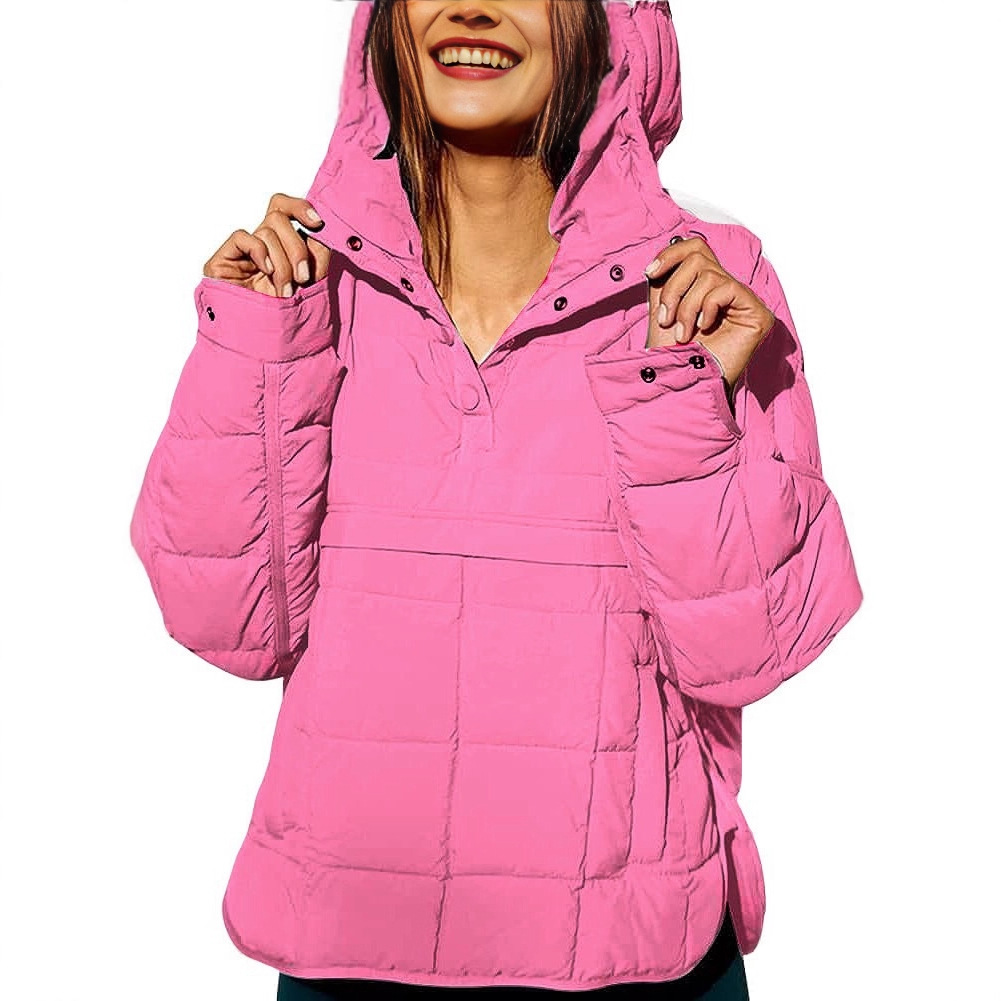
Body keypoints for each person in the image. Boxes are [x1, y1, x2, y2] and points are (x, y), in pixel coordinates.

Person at [129, 1, 863, 999]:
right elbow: (229, 627)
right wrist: (256, 350)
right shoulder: (308, 284)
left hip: (637, 956)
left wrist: (679, 398)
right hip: (351, 947)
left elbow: (751, 647)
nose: (470, 5)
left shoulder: (706, 284)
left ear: (611, 23)